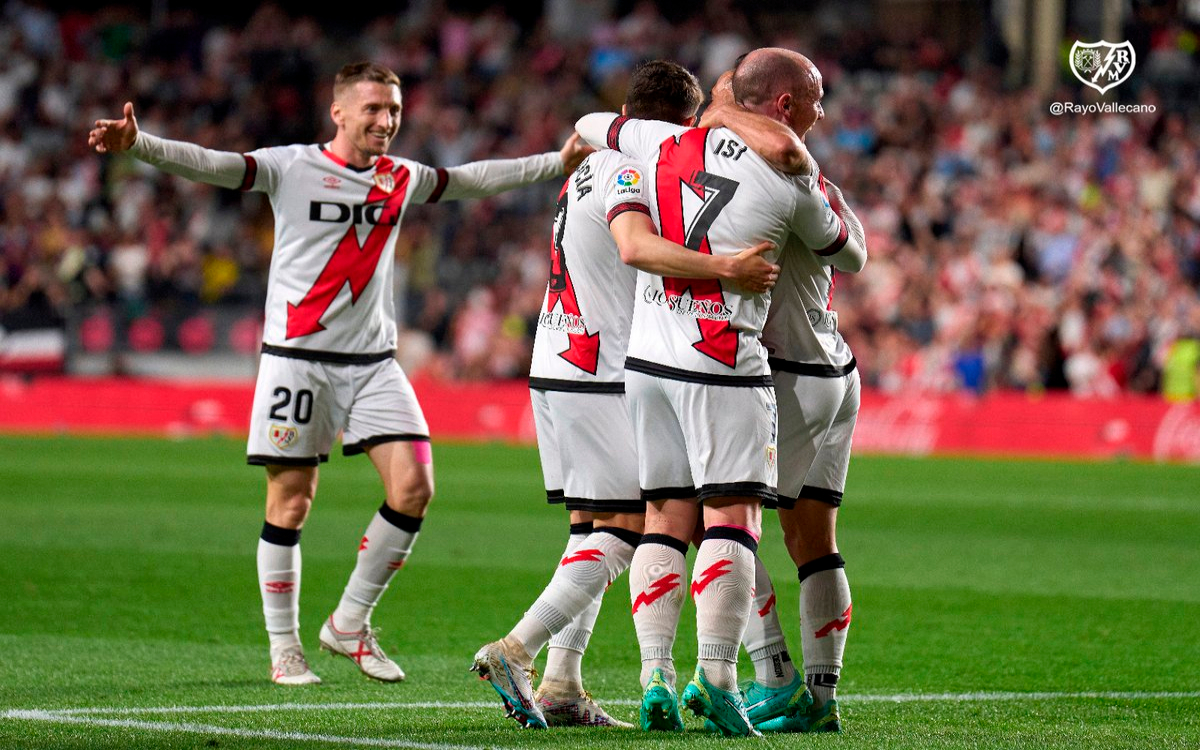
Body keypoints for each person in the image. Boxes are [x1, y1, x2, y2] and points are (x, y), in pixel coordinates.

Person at [88, 61, 590, 686]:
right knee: (291, 501)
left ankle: (349, 623)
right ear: (340, 112)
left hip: (373, 362)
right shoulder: (291, 166)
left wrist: (555, 161)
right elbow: (214, 164)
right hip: (296, 361)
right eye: (374, 109)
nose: (386, 121)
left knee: (414, 488)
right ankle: (284, 649)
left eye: (395, 111)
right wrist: (140, 145)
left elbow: (471, 180)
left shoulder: (400, 177)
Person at [472, 59, 801, 730]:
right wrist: (725, 269)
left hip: (563, 358)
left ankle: (562, 684)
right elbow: (633, 247)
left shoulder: (587, 166)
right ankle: (517, 649)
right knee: (633, 530)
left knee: (591, 534)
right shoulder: (633, 168)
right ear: (678, 125)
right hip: (597, 369)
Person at [575, 47, 864, 737]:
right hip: (819, 369)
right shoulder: (799, 174)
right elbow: (853, 251)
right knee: (800, 535)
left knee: (699, 520)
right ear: (785, 107)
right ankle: (803, 695)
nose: (825, 111)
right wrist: (801, 166)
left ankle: (705, 677)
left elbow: (595, 124)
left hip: (706, 363)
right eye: (815, 99)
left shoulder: (657, 146)